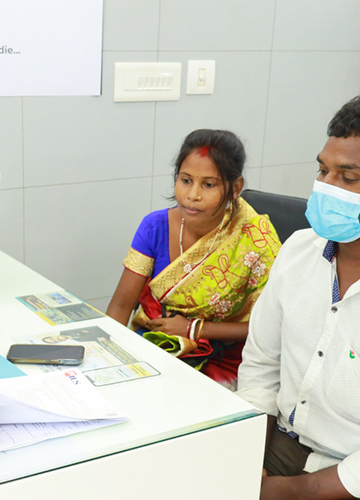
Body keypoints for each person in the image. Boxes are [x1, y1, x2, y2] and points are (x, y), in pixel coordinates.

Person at [237, 94, 360, 499]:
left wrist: (287, 492)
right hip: (276, 442)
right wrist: (245, 456)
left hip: (346, 475)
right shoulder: (297, 251)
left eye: (347, 178)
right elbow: (261, 365)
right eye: (322, 170)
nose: (326, 187)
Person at [106, 129, 281, 389]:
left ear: (235, 188)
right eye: (186, 180)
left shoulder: (255, 239)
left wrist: (193, 329)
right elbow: (120, 307)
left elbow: (269, 327)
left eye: (208, 185)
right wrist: (106, 359)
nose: (193, 195)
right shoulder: (155, 226)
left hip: (228, 358)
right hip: (156, 343)